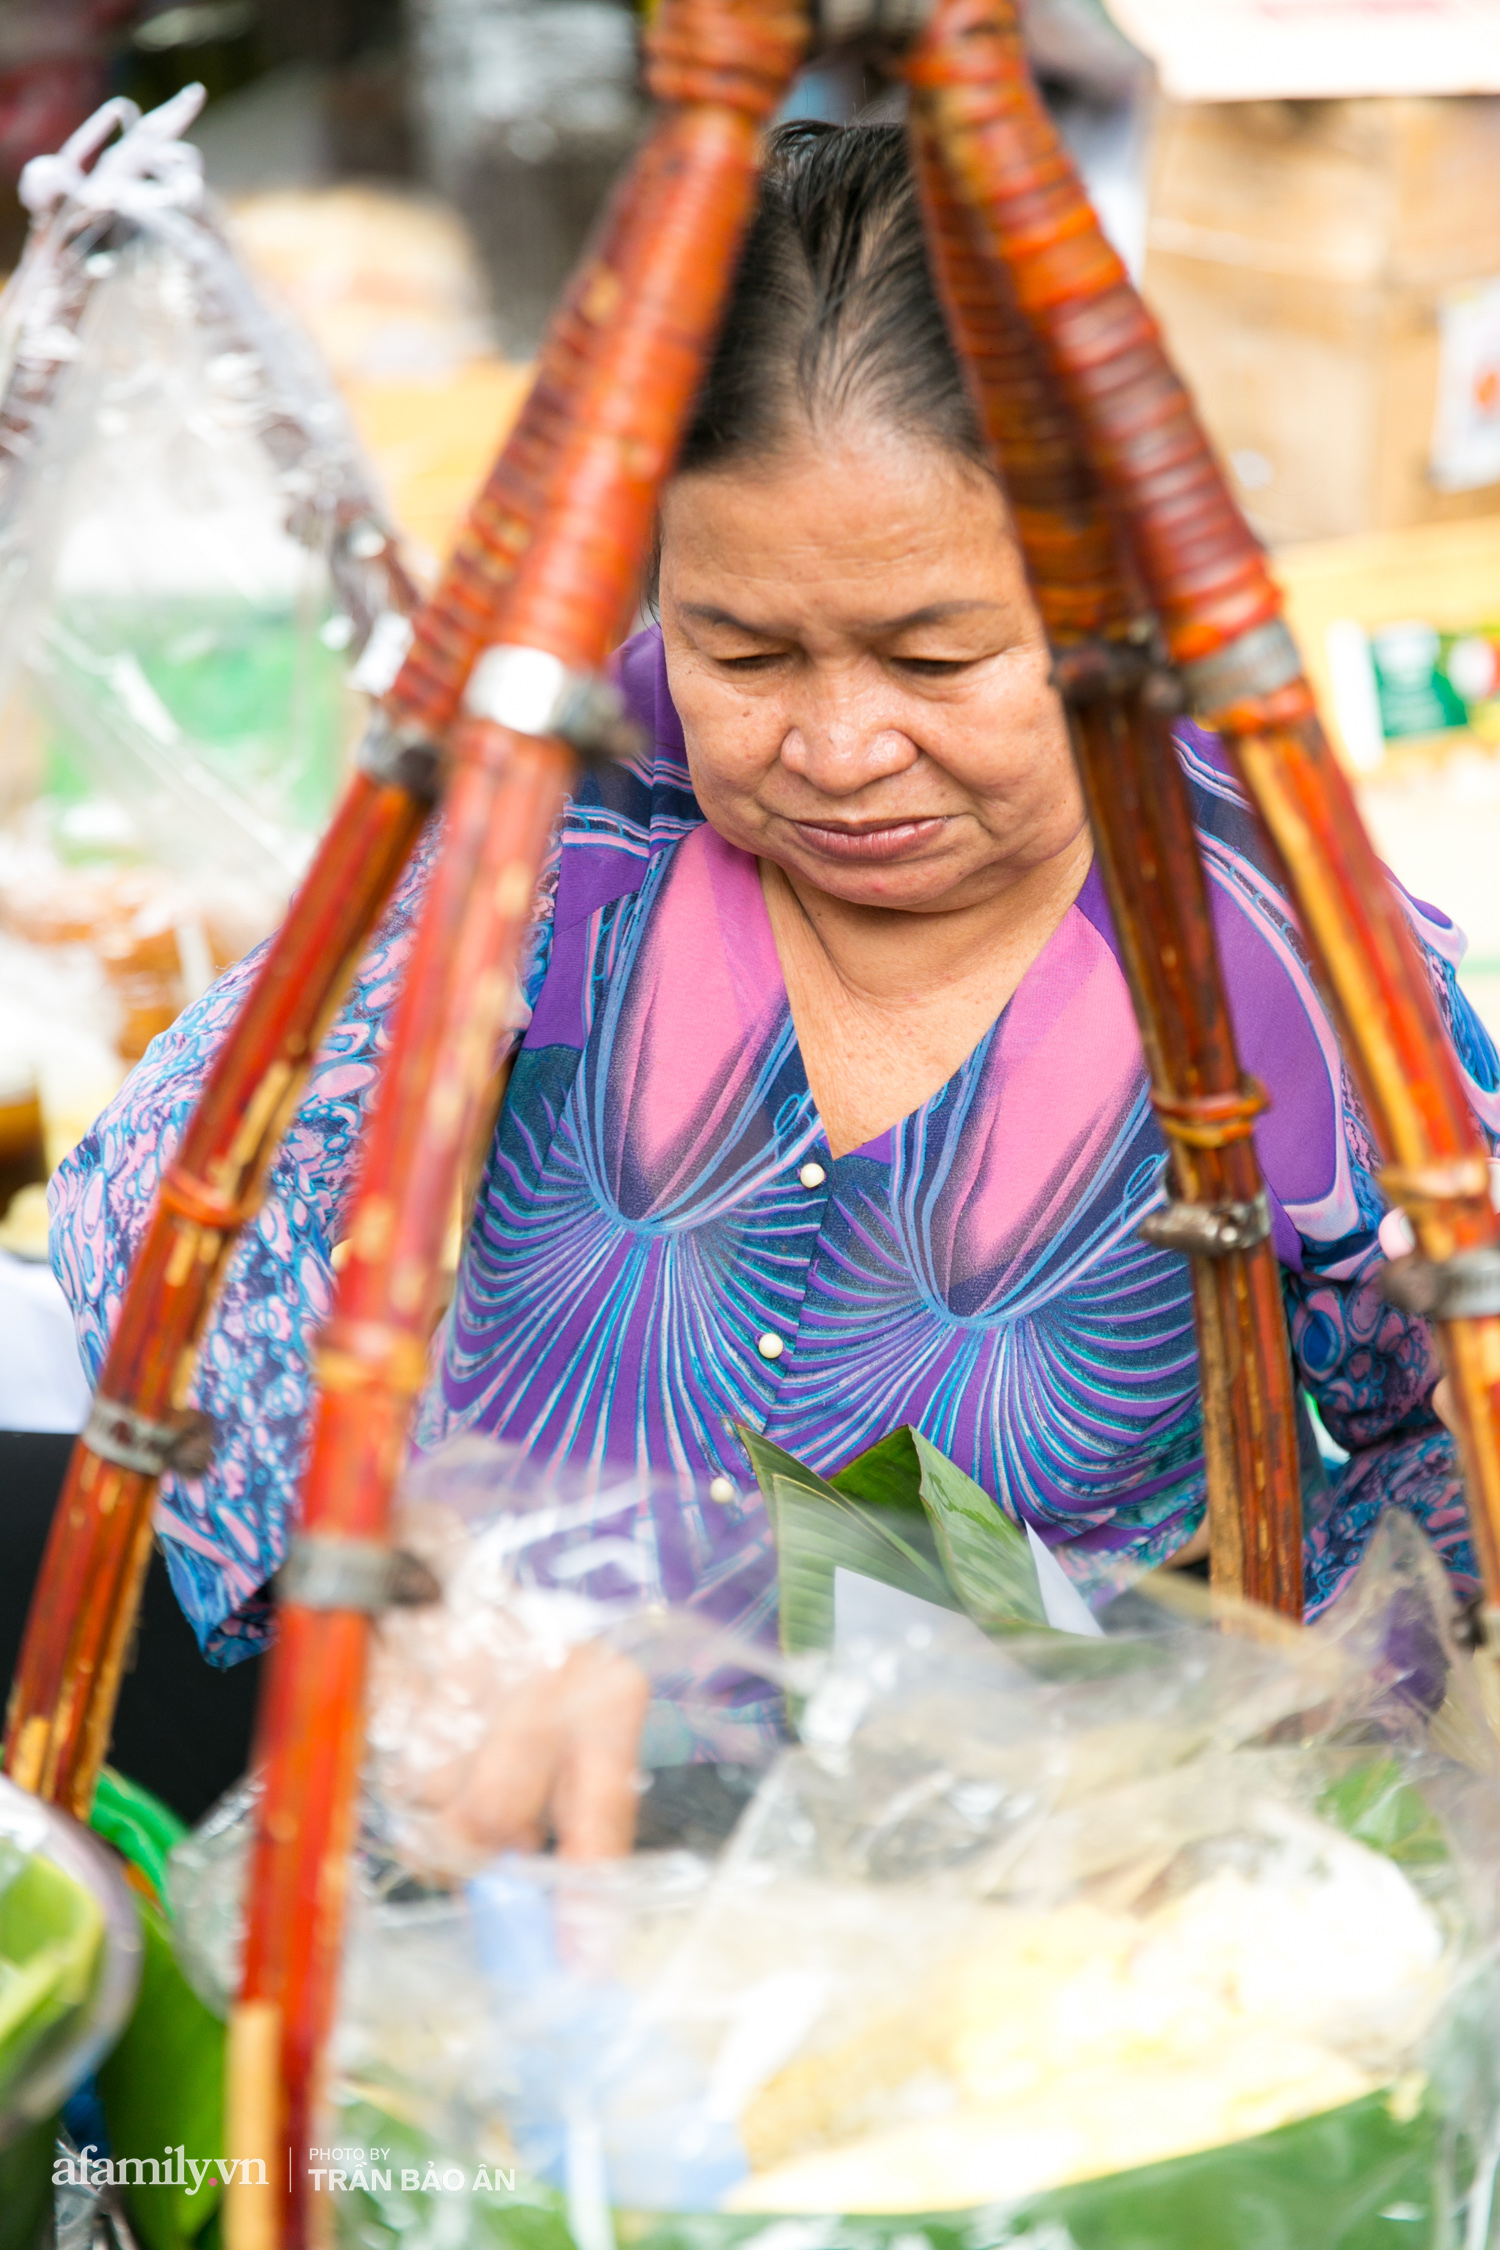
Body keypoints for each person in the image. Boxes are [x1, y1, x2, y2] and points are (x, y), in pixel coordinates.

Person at [50, 123, 1500, 1838]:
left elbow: (1449, 1480)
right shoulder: (564, 819)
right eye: (743, 648)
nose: (834, 743)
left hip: (1017, 1945)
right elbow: (162, 1218)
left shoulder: (1279, 967)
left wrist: (1226, 1773)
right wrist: (439, 1609)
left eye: (936, 656)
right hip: (483, 1891)